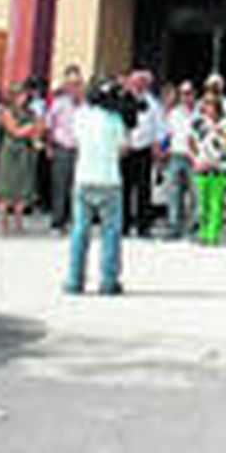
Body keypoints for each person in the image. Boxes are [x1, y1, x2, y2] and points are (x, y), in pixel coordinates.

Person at [65, 78, 129, 296]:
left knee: (80, 230)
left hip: (83, 178)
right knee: (111, 232)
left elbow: (75, 141)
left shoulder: (80, 116)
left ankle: (75, 280)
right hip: (109, 179)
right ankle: (108, 281)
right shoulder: (115, 120)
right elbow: (123, 147)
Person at [0, 82, 44, 234]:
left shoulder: (30, 112)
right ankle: (4, 221)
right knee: (7, 186)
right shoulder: (6, 111)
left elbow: (39, 128)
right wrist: (31, 128)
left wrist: (37, 131)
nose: (24, 98)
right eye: (21, 95)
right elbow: (14, 131)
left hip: (25, 151)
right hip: (10, 152)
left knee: (23, 186)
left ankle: (18, 220)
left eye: (25, 95)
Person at [123, 71, 162, 237]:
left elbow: (159, 126)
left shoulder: (152, 103)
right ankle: (123, 224)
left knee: (144, 189)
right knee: (124, 189)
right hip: (126, 150)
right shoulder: (122, 100)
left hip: (144, 149)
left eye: (142, 82)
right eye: (136, 82)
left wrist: (157, 144)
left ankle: (143, 225)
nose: (139, 85)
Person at [44, 67, 83, 232]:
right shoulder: (59, 103)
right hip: (62, 147)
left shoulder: (86, 105)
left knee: (77, 187)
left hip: (80, 149)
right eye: (71, 84)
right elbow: (49, 125)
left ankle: (74, 220)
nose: (74, 88)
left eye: (78, 84)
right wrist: (49, 146)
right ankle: (57, 220)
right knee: (60, 185)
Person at [191, 98, 226, 246]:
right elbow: (191, 141)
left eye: (211, 105)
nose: (209, 108)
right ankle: (203, 233)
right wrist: (196, 159)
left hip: (219, 167)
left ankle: (213, 234)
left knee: (216, 203)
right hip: (202, 165)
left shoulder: (225, 124)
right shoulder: (199, 124)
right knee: (203, 203)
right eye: (206, 105)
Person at [163, 81, 198, 239]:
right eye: (183, 93)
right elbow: (168, 134)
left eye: (189, 93)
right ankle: (174, 226)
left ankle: (194, 226)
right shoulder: (174, 113)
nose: (186, 96)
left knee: (195, 193)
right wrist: (164, 151)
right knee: (174, 192)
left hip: (194, 157)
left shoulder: (199, 113)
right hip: (176, 154)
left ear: (194, 94)